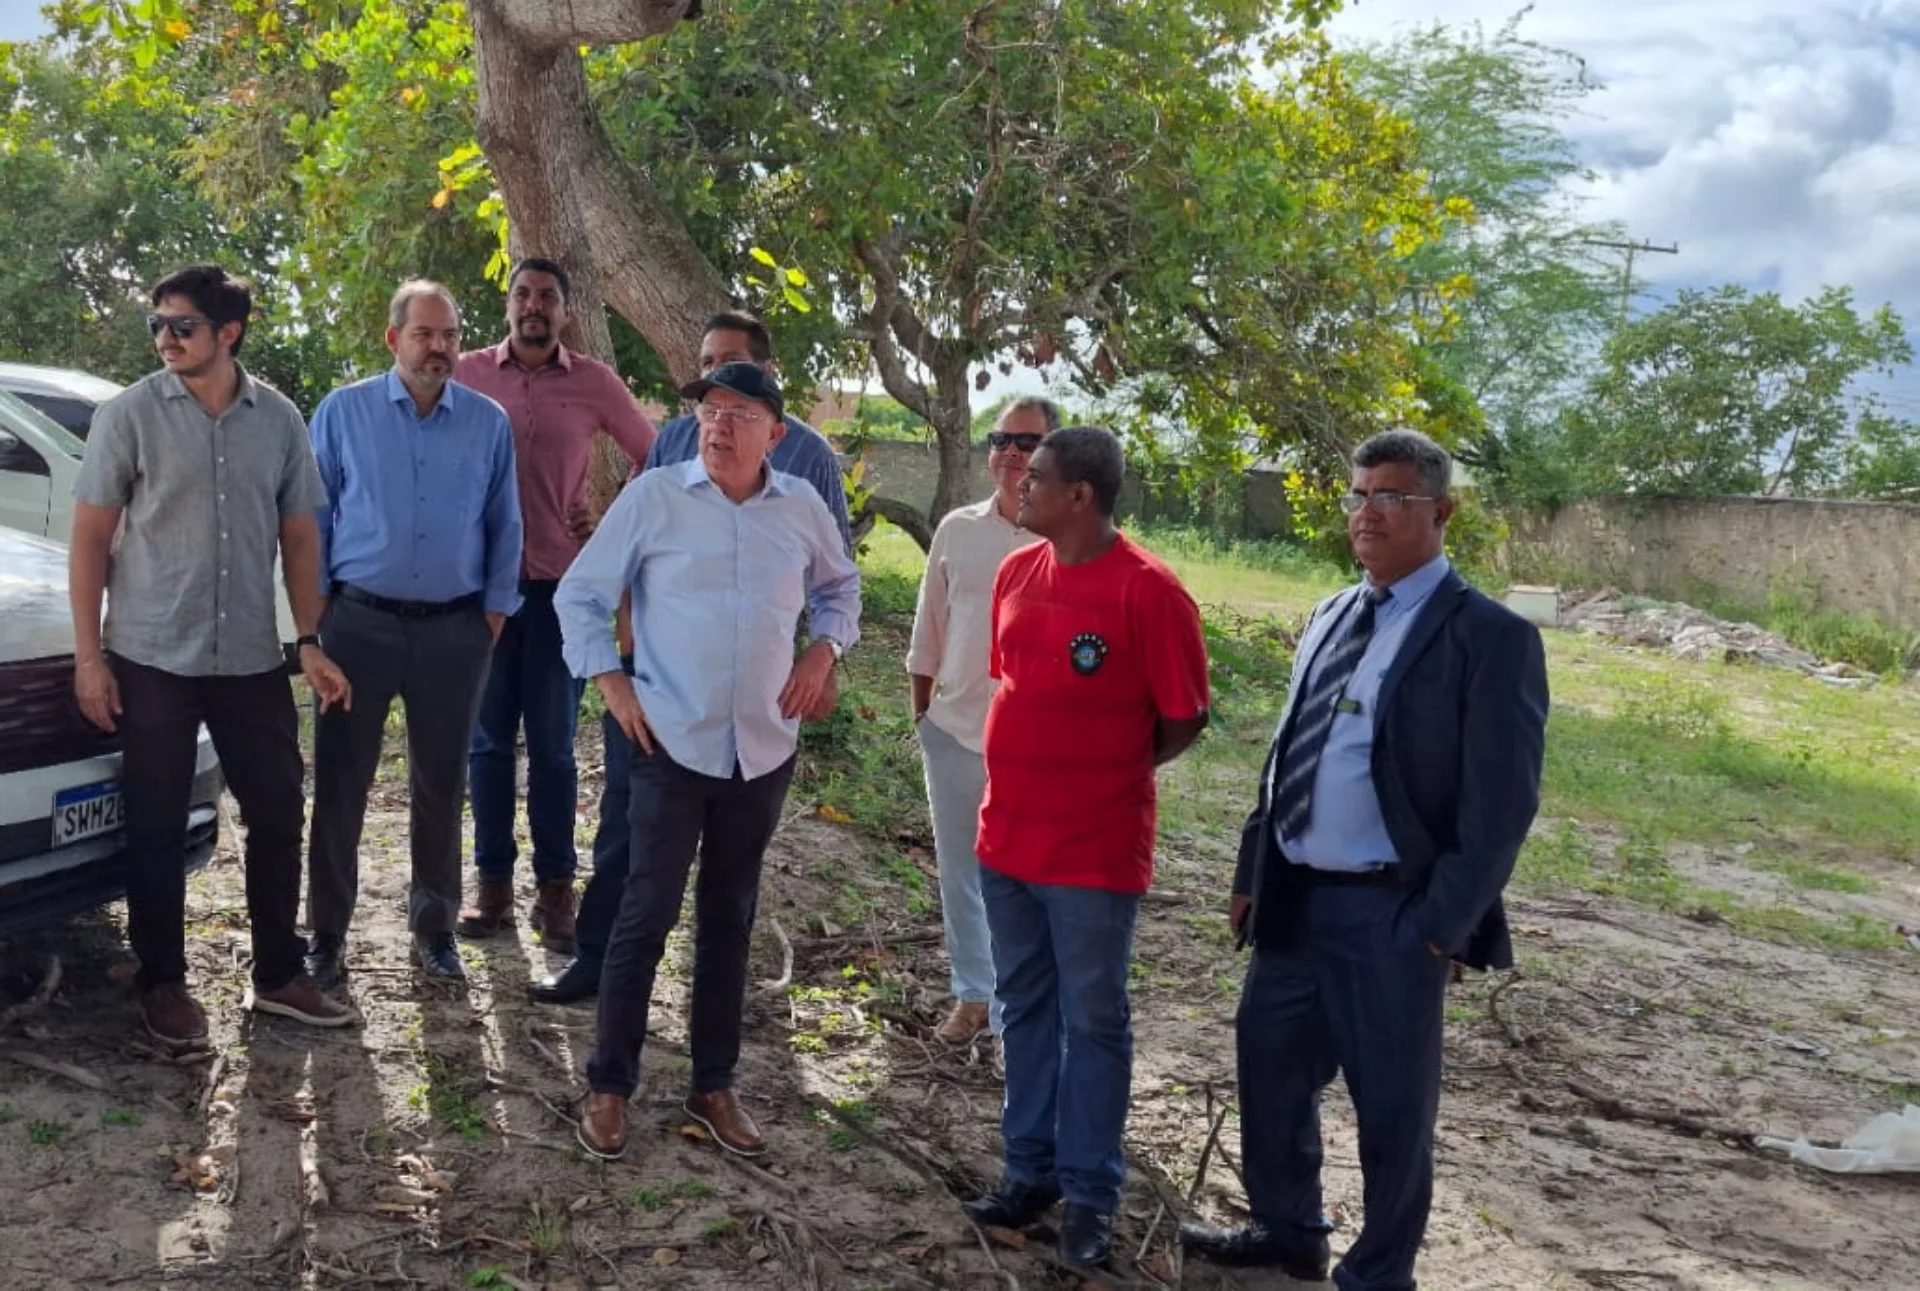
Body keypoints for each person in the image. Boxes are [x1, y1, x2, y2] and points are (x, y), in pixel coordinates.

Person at [1179, 430, 1549, 1291]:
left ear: (1440, 513)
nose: (1367, 512)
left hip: (1392, 909)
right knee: (1268, 1065)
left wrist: (1438, 924)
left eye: (1390, 497)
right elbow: (1287, 753)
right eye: (1356, 495)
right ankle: (1286, 1228)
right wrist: (1251, 866)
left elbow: (1501, 806)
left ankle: (1379, 1272)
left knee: (1391, 1105)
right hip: (1295, 894)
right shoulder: (1333, 611)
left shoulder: (1486, 636)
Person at [556, 362, 859, 1162]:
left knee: (730, 916)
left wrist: (824, 652)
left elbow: (841, 589)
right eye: (709, 410)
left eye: (739, 412)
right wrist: (612, 683)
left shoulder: (800, 508)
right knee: (645, 912)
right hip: (668, 740)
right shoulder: (656, 497)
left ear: (776, 433)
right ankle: (610, 1084)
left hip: (761, 747)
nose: (718, 424)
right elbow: (579, 594)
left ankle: (713, 1083)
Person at [68, 263, 356, 1045]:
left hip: (250, 657)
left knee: (275, 810)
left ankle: (279, 975)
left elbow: (302, 536)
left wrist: (309, 639)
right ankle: (162, 981)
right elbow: (91, 537)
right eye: (156, 323)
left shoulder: (280, 421)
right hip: (152, 653)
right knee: (156, 820)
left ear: (228, 333)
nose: (165, 337)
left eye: (182, 325)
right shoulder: (128, 415)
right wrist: (89, 657)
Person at [529, 311, 852, 1005]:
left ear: (768, 381)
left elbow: (836, 579)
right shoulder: (675, 441)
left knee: (728, 886)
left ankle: (717, 1036)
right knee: (625, 838)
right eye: (706, 371)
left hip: (753, 706)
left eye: (730, 367)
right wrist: (617, 670)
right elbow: (627, 554)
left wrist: (824, 658)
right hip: (657, 694)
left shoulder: (809, 460)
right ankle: (599, 963)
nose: (717, 401)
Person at [961, 426, 1211, 1269]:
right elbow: (1015, 683)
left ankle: (1092, 1195)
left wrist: (1102, 771)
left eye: (1035, 478)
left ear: (1080, 496)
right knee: (1023, 1008)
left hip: (1094, 855)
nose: (1017, 487)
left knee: (1095, 1022)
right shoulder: (1015, 573)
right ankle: (1028, 1170)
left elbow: (1184, 717)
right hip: (1008, 841)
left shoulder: (1151, 593)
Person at [303, 280, 524, 986]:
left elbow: (504, 527)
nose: (440, 347)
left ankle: (435, 930)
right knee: (341, 784)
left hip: (453, 634)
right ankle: (327, 937)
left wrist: (489, 617)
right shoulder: (343, 413)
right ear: (393, 338)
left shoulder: (487, 423)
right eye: (426, 333)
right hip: (357, 627)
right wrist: (313, 628)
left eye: (451, 334)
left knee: (441, 784)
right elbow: (313, 524)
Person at [452, 257, 658, 954]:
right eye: (522, 293)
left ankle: (556, 891)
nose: (533, 305)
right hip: (481, 591)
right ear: (506, 303)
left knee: (552, 747)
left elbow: (653, 456)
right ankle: (491, 886)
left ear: (566, 313)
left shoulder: (594, 382)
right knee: (485, 745)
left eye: (547, 296)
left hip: (560, 591)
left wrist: (609, 516)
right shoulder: (468, 371)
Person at [905, 398, 1053, 1048]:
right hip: (955, 730)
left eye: (1027, 441)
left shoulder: (1066, 539)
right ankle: (973, 997)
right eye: (1001, 438)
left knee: (1029, 876)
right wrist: (924, 716)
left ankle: (1024, 1008)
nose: (1012, 452)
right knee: (962, 870)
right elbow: (928, 625)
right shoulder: (957, 529)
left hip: (1037, 747)